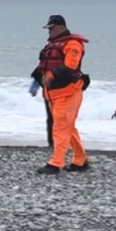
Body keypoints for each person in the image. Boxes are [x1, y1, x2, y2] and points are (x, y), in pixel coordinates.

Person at [31, 14, 90, 175]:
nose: (49, 32)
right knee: (67, 128)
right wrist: (37, 80)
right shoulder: (52, 45)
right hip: (53, 94)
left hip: (68, 92)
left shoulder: (73, 44)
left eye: (52, 28)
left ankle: (56, 163)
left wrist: (51, 75)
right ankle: (80, 161)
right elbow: (42, 66)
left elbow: (71, 66)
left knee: (60, 128)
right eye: (48, 29)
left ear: (61, 28)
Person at [28, 77, 54, 148]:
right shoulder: (64, 65)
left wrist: (33, 88)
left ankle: (52, 142)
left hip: (49, 94)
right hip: (53, 95)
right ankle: (54, 142)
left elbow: (39, 73)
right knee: (56, 118)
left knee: (51, 118)